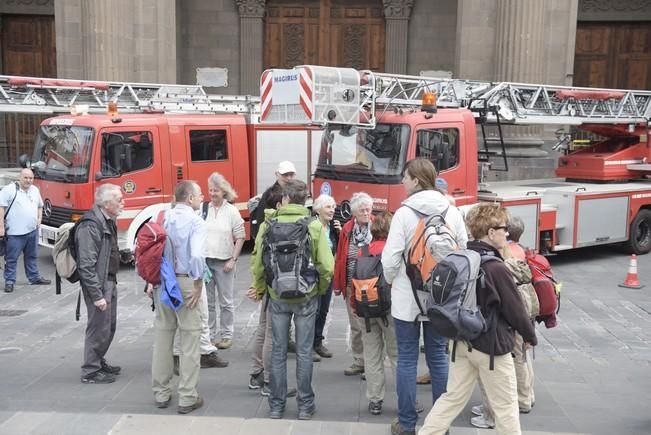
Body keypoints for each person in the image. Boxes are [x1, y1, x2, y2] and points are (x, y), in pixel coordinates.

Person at [418, 203, 537, 435]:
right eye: (503, 228)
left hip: (460, 343)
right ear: (491, 232)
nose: (507, 233)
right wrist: (529, 336)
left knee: (451, 398)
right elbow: (516, 310)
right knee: (505, 407)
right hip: (490, 349)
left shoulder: (461, 256)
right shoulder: (496, 267)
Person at [382, 158, 468, 435]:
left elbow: (390, 259)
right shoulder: (451, 211)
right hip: (441, 298)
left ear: (417, 180)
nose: (402, 181)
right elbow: (463, 251)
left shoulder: (404, 214)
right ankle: (439, 426)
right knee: (439, 359)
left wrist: (393, 281)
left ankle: (407, 424)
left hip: (408, 298)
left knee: (407, 359)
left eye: (405, 177)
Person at [249, 179, 334, 420]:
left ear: (285, 199)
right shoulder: (314, 226)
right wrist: (319, 288)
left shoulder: (269, 225)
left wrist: (259, 287)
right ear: (305, 200)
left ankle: (276, 406)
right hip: (306, 295)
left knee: (277, 350)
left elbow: (257, 263)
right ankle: (305, 406)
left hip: (277, 295)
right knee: (305, 352)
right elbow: (327, 266)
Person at [470, 215, 536, 429]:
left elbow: (510, 303)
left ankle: (493, 413)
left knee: (502, 372)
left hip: (503, 322)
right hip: (523, 310)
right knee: (522, 358)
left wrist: (526, 332)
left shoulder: (500, 259)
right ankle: (525, 398)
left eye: (505, 229)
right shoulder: (518, 251)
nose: (504, 233)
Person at [149, 180, 206, 414]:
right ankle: (187, 396)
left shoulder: (161, 216)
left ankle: (161, 393)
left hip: (163, 281)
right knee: (190, 339)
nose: (202, 198)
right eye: (200, 194)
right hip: (184, 281)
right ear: (190, 198)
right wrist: (198, 283)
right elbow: (196, 256)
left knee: (163, 336)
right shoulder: (195, 221)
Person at [75, 184, 124, 384]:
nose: (123, 202)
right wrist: (97, 295)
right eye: (119, 199)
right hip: (99, 285)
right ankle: (90, 370)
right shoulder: (90, 225)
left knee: (108, 326)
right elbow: (86, 265)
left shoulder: (108, 220)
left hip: (109, 281)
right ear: (106, 203)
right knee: (98, 327)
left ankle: (97, 360)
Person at [354, 211, 397, 416]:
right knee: (398, 355)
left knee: (372, 355)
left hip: (366, 309)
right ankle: (404, 399)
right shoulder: (394, 250)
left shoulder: (362, 251)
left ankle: (375, 400)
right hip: (391, 309)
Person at [333, 192, 374, 376]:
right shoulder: (347, 228)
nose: (366, 213)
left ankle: (373, 364)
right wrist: (338, 282)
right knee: (356, 325)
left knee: (371, 325)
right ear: (355, 213)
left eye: (368, 209)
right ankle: (359, 360)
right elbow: (341, 256)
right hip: (351, 284)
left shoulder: (378, 226)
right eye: (362, 210)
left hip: (372, 285)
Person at [203, 172, 245, 350]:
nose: (212, 194)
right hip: (206, 262)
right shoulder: (203, 209)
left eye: (216, 190)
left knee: (226, 302)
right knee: (208, 302)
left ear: (224, 191)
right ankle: (210, 335)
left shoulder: (232, 211)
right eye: (211, 190)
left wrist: (233, 260)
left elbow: (241, 236)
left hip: (224, 262)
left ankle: (227, 335)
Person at [0, 168, 50, 293]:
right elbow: (1, 208)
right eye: (26, 177)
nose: (28, 180)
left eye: (31, 178)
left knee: (32, 256)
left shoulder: (34, 190)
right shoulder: (9, 190)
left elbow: (40, 206)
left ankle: (34, 277)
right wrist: (1, 227)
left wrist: (39, 219)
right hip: (14, 233)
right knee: (11, 258)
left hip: (32, 231)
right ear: (19, 177)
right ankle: (9, 281)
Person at [312, 194, 340, 359]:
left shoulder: (332, 228)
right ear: (318, 209)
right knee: (313, 310)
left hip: (327, 274)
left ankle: (318, 342)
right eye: (328, 207)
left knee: (323, 309)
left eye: (333, 207)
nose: (332, 210)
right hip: (313, 273)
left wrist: (341, 232)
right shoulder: (312, 225)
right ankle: (307, 345)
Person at [250, 160, 297, 240]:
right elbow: (261, 221)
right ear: (277, 174)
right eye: (285, 175)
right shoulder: (269, 195)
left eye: (291, 175)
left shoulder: (295, 192)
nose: (289, 178)